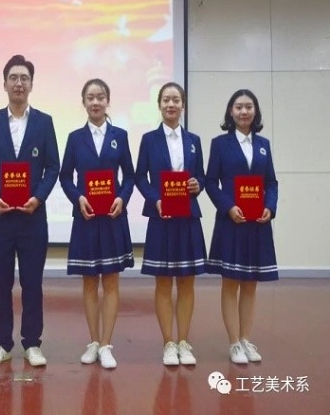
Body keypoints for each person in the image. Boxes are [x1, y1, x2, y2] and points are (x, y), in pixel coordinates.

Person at [0, 54, 60, 367]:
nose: (19, 83)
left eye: (24, 78)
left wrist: (38, 197)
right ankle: (1, 343)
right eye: (13, 77)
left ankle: (32, 343)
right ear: (4, 84)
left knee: (32, 283)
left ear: (31, 84)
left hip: (32, 218)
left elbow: (53, 166)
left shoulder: (44, 122)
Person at [59, 78, 135, 369]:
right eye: (90, 97)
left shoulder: (120, 136)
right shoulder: (75, 138)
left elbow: (129, 176)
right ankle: (93, 341)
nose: (95, 102)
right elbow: (65, 177)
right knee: (90, 282)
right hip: (87, 217)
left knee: (111, 281)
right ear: (83, 102)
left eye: (100, 97)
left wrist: (122, 198)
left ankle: (106, 344)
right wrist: (78, 197)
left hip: (113, 217)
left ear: (108, 101)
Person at [135, 82, 207, 366]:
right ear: (159, 105)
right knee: (163, 282)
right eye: (166, 100)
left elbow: (201, 176)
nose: (171, 104)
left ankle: (184, 342)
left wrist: (197, 184)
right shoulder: (149, 140)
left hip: (187, 217)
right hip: (161, 217)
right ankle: (168, 342)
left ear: (183, 105)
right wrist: (155, 199)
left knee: (187, 282)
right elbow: (140, 177)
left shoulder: (194, 140)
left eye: (176, 100)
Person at [205, 89, 278, 364]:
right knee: (231, 282)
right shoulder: (220, 144)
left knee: (250, 283)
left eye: (249, 107)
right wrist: (227, 206)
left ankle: (246, 339)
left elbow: (271, 182)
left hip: (257, 223)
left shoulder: (264, 144)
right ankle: (234, 343)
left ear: (255, 111)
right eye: (238, 107)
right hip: (231, 221)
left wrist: (270, 206)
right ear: (231, 112)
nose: (244, 111)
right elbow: (210, 182)